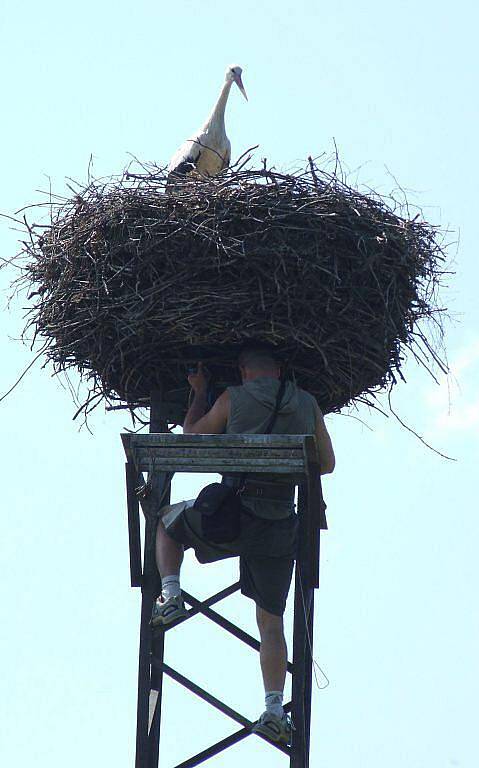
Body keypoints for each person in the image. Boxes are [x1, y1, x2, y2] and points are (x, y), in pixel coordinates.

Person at [152, 343, 335, 745]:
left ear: (243, 371)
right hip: (279, 525)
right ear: (280, 369)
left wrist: (200, 392)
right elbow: (326, 462)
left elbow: (192, 437)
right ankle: (273, 709)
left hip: (230, 518)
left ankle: (170, 595)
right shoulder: (307, 402)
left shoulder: (234, 397)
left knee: (165, 523)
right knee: (271, 623)